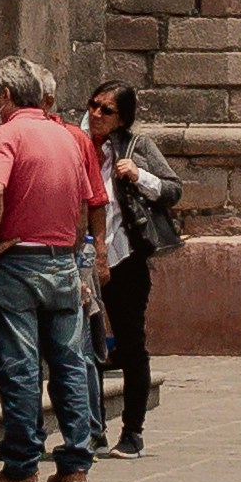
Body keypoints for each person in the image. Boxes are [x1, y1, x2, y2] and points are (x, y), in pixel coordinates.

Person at [0, 52, 103, 482]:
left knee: (20, 366)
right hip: (61, 259)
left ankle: (22, 465)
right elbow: (85, 202)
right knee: (68, 364)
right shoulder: (66, 136)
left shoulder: (6, 134)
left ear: (5, 96)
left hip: (19, 262)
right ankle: (75, 463)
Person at [90, 83, 183, 455]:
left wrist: (139, 176)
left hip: (126, 257)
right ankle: (92, 428)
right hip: (84, 260)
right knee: (86, 349)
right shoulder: (77, 145)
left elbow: (173, 190)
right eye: (93, 106)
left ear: (123, 118)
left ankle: (132, 431)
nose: (97, 115)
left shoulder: (136, 147)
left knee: (130, 345)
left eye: (106, 110)